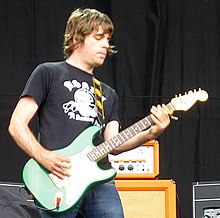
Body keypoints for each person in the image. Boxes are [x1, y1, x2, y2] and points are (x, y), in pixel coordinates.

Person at [8, 8, 170, 218]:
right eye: (99, 37)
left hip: (100, 178)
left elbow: (113, 144)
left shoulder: (108, 94)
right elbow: (16, 124)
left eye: (108, 39)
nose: (106, 44)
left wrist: (150, 134)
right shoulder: (48, 73)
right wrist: (44, 157)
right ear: (76, 38)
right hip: (58, 175)